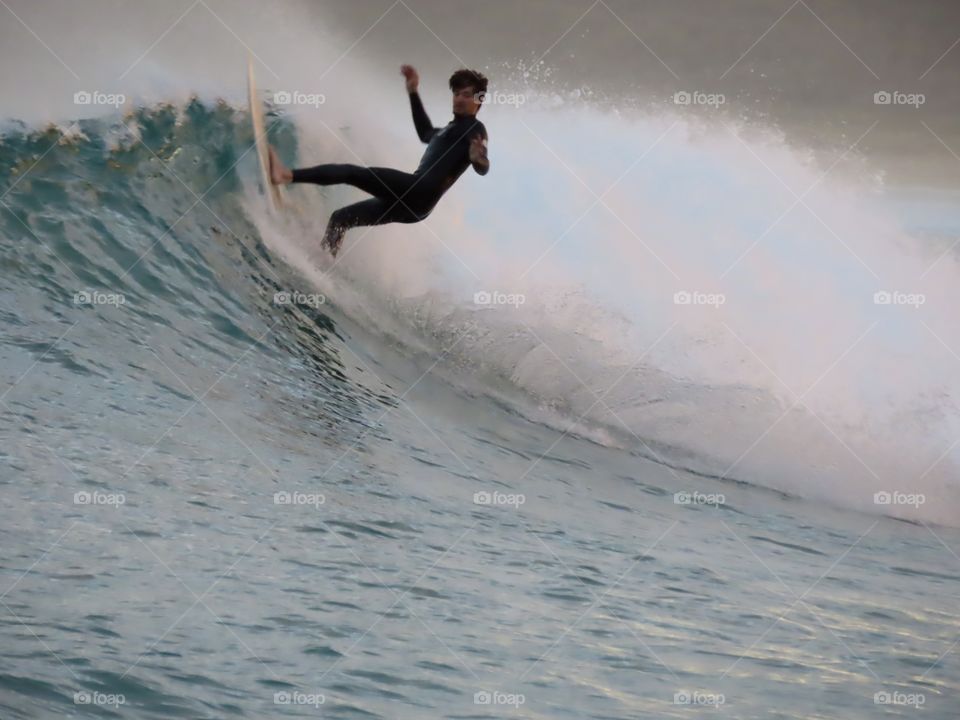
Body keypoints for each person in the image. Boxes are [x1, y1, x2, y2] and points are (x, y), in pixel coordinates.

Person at [268, 66, 490, 257]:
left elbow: (483, 166)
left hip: (418, 191)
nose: (460, 98)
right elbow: (425, 132)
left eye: (467, 95)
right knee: (340, 218)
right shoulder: (445, 132)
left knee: (351, 173)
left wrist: (477, 159)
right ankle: (323, 263)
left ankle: (286, 175)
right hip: (416, 207)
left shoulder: (474, 130)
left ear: (478, 101)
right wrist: (413, 91)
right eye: (457, 93)